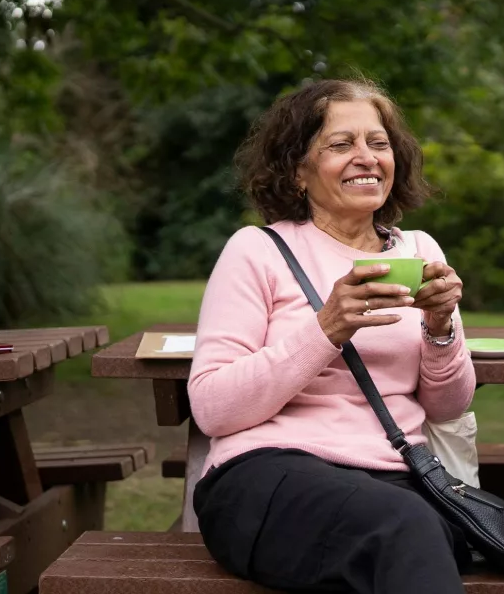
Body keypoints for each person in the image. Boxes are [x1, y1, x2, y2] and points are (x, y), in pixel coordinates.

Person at [187, 79, 475, 594]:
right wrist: (327, 328)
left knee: (434, 533)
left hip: (396, 477)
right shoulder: (257, 250)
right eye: (341, 145)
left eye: (378, 143)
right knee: (404, 529)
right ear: (298, 171)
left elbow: (449, 404)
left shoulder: (418, 247)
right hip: (268, 474)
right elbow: (213, 408)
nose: (366, 158)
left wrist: (440, 326)